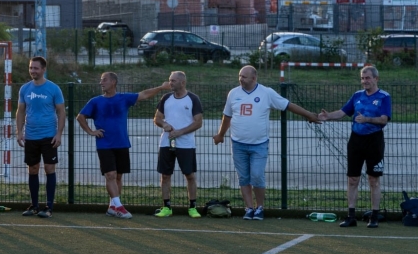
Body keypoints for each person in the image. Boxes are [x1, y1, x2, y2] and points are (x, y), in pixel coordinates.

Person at [214, 65, 321, 221]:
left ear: (253, 78)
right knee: (243, 178)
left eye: (244, 76)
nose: (241, 79)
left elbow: (287, 105)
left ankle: (260, 207)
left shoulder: (266, 93)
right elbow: (227, 117)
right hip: (238, 144)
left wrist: (309, 115)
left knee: (257, 176)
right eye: (239, 76)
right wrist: (220, 134)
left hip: (259, 144)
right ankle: (249, 208)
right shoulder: (233, 93)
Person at [77, 72, 171, 219]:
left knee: (118, 176)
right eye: (101, 80)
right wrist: (91, 131)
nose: (101, 83)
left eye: (104, 80)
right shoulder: (95, 101)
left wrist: (161, 87)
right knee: (110, 175)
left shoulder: (124, 98)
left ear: (113, 82)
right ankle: (119, 207)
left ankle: (112, 207)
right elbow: (80, 117)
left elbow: (144, 94)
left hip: (121, 143)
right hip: (104, 144)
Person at [318, 65, 391, 229]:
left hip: (374, 141)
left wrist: (367, 120)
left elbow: (384, 119)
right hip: (356, 140)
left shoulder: (384, 97)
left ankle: (374, 216)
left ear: (376, 79)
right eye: (362, 78)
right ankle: (351, 216)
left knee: (374, 180)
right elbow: (343, 112)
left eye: (368, 78)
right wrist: (328, 116)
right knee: (352, 179)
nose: (365, 81)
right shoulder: (357, 96)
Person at [16, 56, 65, 218]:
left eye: (36, 68)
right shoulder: (25, 89)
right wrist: (19, 132)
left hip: (49, 136)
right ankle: (34, 205)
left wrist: (58, 134)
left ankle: (49, 207)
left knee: (49, 169)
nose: (33, 71)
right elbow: (20, 111)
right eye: (31, 68)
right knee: (33, 169)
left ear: (43, 69)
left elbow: (61, 112)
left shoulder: (53, 89)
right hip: (31, 136)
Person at [152, 71, 203, 218]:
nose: (170, 83)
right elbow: (157, 118)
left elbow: (198, 122)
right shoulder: (166, 98)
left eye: (173, 81)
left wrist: (180, 132)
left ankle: (192, 207)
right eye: (169, 80)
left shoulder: (193, 99)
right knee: (165, 175)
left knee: (189, 175)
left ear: (182, 82)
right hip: (166, 143)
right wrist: (164, 124)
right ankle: (166, 207)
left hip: (186, 144)